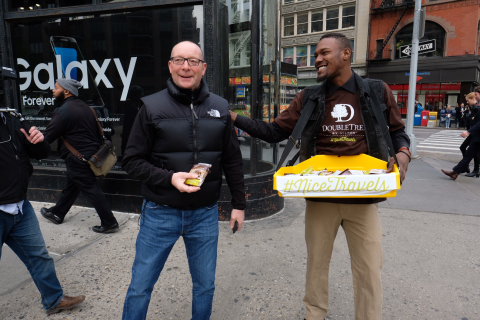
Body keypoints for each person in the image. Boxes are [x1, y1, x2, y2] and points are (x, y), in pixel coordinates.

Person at [230, 32, 410, 320]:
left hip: (363, 197)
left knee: (369, 268)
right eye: (315, 55)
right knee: (316, 265)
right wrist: (235, 119)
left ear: (346, 54)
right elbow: (275, 132)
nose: (317, 60)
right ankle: (314, 315)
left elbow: (398, 131)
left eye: (324, 53)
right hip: (320, 194)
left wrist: (403, 155)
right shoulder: (309, 96)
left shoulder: (376, 90)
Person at [121, 41, 246, 320]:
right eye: (179, 60)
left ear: (203, 68)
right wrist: (169, 178)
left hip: (204, 214)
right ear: (170, 65)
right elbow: (131, 161)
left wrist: (239, 204)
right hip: (159, 213)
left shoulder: (220, 107)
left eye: (192, 61)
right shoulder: (150, 107)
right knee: (140, 287)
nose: (185, 67)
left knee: (205, 286)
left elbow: (232, 161)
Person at [0, 109, 85, 314]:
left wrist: (39, 140)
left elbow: (42, 153)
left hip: (21, 207)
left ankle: (53, 299)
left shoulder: (12, 118)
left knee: (39, 256)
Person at [40, 78, 119, 233]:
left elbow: (47, 136)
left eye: (56, 88)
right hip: (89, 157)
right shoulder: (87, 108)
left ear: (67, 91)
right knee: (72, 186)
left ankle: (109, 222)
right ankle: (57, 213)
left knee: (91, 188)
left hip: (77, 158)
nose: (53, 90)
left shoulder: (63, 111)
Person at [442, 91, 480, 179]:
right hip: (476, 135)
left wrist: (468, 131)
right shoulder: (476, 106)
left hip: (477, 135)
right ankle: (455, 172)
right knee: (469, 154)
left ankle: (457, 172)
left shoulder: (477, 107)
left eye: (476, 94)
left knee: (471, 153)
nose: (475, 95)